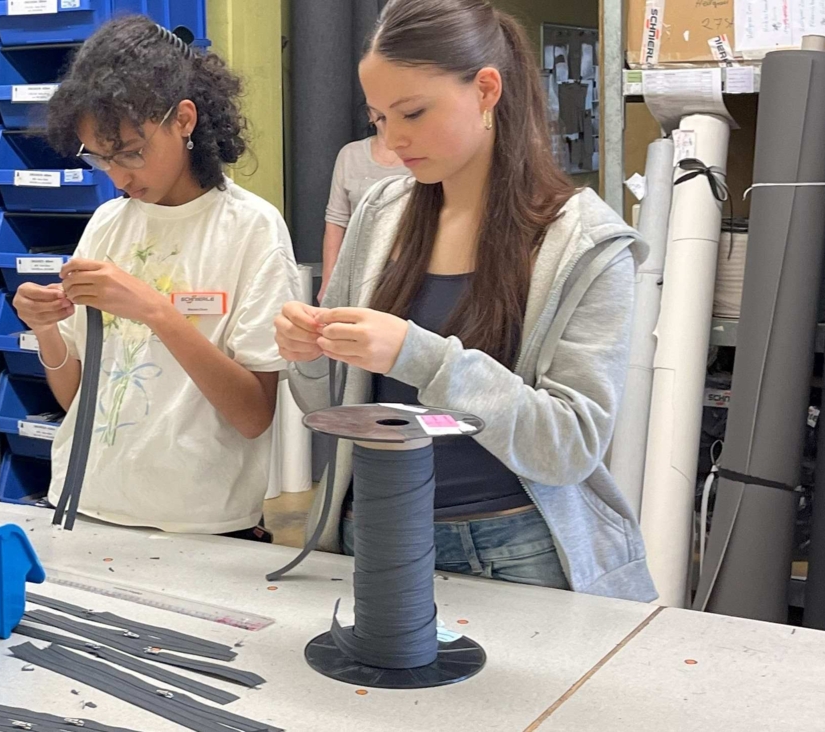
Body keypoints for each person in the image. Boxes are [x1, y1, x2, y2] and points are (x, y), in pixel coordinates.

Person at [276, 0, 657, 601]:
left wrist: (419, 356)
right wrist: (307, 353)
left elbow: (569, 446)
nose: (393, 139)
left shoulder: (584, 241)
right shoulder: (382, 215)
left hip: (519, 547)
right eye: (378, 118)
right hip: (374, 531)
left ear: (485, 90)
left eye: (413, 112)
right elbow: (330, 403)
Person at [14, 16, 299, 539]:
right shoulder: (107, 223)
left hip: (200, 522)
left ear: (183, 119)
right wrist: (46, 328)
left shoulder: (251, 229)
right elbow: (75, 394)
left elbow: (255, 414)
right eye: (101, 157)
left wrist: (156, 311)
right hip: (85, 503)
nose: (120, 176)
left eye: (131, 151)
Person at [319, 114, 409, 302]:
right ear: (369, 113)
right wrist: (328, 281)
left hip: (406, 268)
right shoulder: (351, 154)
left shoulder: (423, 154)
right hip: (356, 269)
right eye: (381, 115)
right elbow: (336, 221)